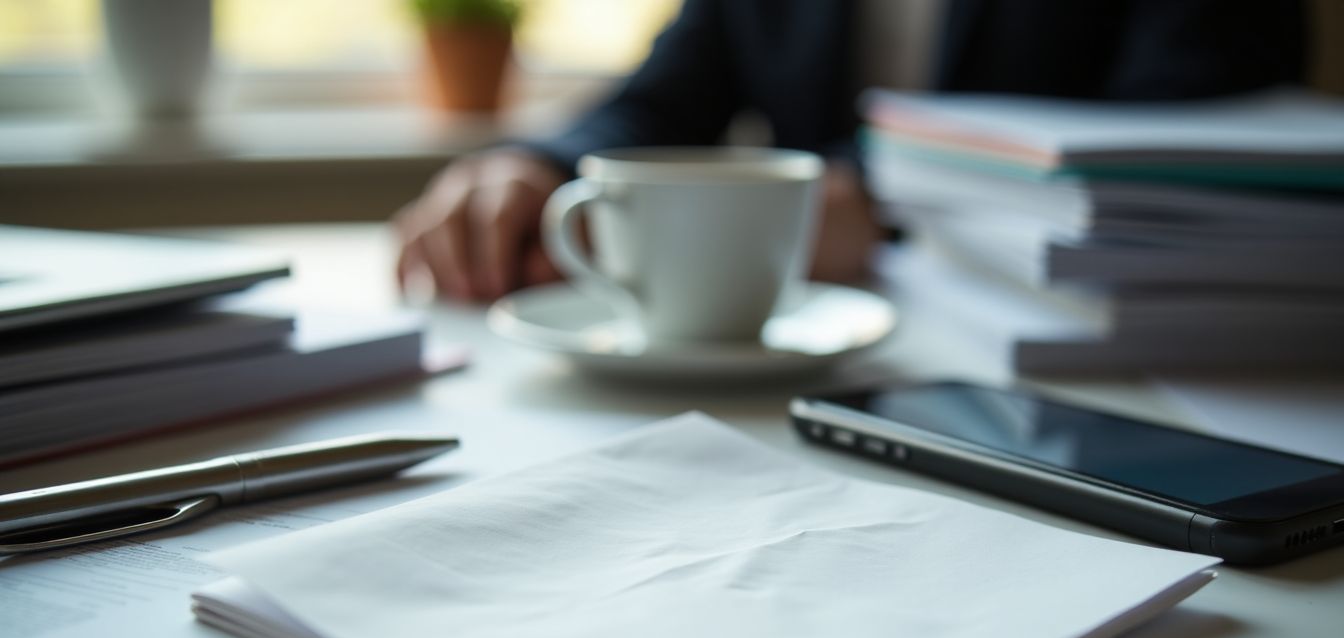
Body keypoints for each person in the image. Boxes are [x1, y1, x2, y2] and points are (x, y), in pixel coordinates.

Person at [394, 0, 1307, 303]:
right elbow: (662, 102)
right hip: (832, 364)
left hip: (1104, 351)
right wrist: (540, 167)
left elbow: (1197, 108)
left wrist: (879, 194)